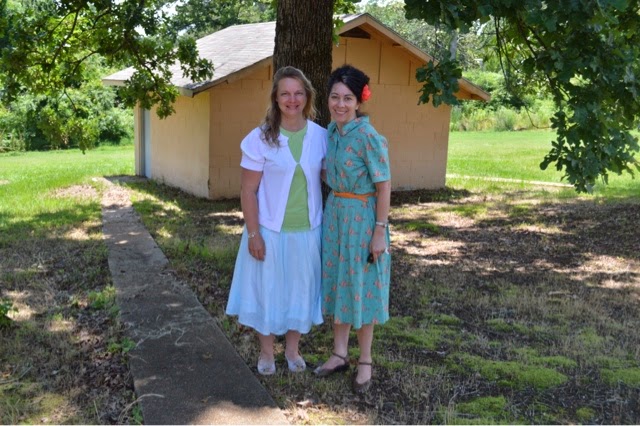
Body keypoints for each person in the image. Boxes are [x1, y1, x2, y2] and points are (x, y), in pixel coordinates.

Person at [226, 66, 327, 375]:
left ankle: (293, 350)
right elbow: (248, 190)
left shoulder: (321, 137)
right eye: (285, 93)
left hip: (308, 231)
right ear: (276, 98)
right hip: (269, 230)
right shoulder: (260, 139)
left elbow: (330, 177)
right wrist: (253, 234)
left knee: (300, 290)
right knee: (267, 291)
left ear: (307, 96)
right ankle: (267, 352)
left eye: (298, 93)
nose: (292, 100)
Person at [314, 65, 391, 394]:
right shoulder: (331, 131)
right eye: (335, 97)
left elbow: (384, 186)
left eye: (347, 98)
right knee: (338, 281)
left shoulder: (369, 137)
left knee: (362, 285)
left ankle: (366, 361)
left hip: (362, 219)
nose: (340, 104)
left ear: (359, 101)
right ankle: (339, 354)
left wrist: (379, 230)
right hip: (335, 216)